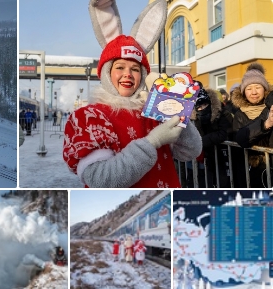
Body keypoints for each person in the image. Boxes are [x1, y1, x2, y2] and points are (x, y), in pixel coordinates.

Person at [63, 0, 201, 188]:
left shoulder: (154, 109)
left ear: (143, 75)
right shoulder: (89, 117)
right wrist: (153, 142)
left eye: (135, 69)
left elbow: (190, 151)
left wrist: (178, 108)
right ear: (106, 73)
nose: (127, 74)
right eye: (119, 67)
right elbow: (100, 179)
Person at [231, 62, 273, 187]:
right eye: (249, 88)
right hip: (252, 170)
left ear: (265, 89)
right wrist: (266, 124)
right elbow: (240, 139)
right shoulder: (239, 114)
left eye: (258, 87)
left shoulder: (270, 107)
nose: (254, 92)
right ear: (243, 92)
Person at [188, 87, 233, 187]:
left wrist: (203, 141)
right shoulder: (197, 118)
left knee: (224, 183)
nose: (202, 108)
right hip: (208, 158)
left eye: (205, 104)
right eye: (199, 106)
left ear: (210, 103)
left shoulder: (222, 113)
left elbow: (224, 132)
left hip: (225, 155)